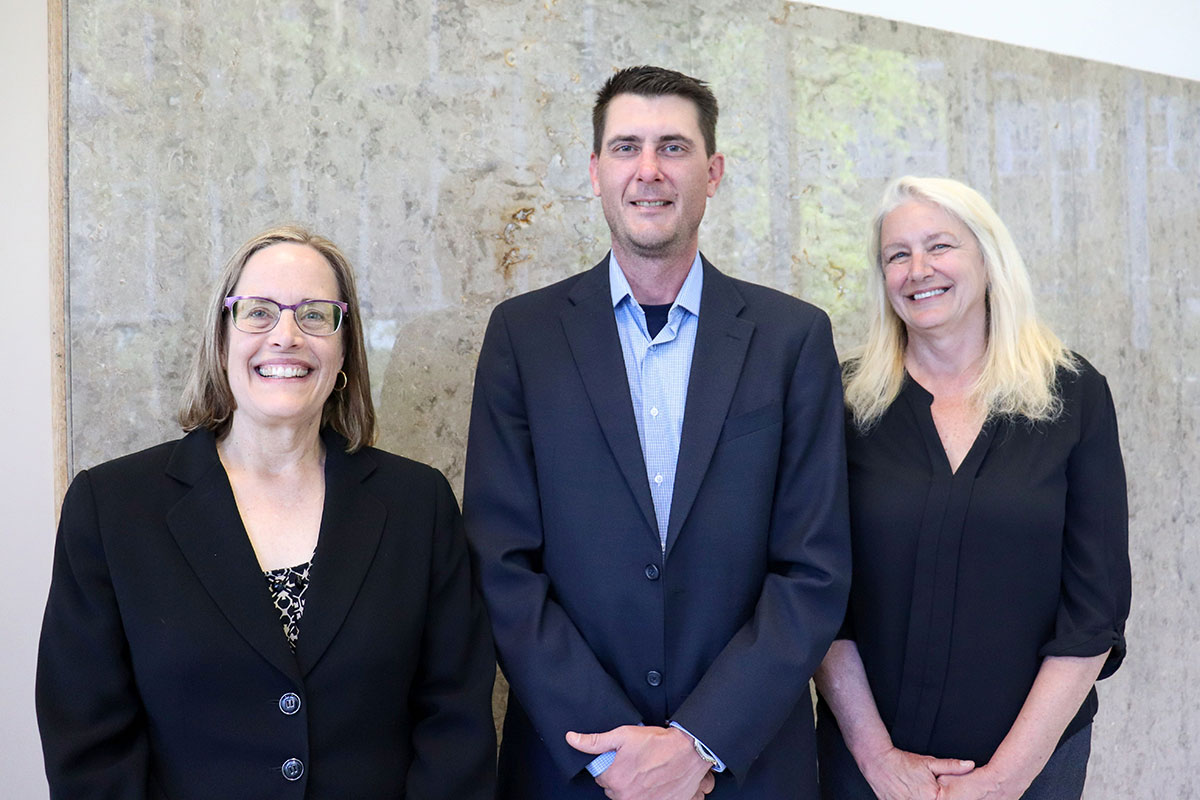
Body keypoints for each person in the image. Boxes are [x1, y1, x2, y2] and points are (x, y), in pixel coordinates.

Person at [463, 65, 851, 800]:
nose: (648, 171)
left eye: (673, 147)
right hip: (574, 767)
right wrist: (615, 753)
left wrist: (701, 744)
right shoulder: (524, 336)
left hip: (747, 767)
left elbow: (814, 569)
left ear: (713, 171)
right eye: (626, 148)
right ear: (595, 171)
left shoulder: (792, 338)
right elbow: (502, 564)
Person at [36, 226, 497, 799]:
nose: (286, 337)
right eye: (258, 312)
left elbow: (455, 724)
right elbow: (88, 746)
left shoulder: (418, 504)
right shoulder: (111, 508)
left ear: (344, 345)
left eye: (315, 314)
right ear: (221, 339)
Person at [814, 177, 1131, 800]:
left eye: (940, 246)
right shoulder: (841, 399)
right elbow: (814, 586)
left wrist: (1005, 780)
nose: (918, 269)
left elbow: (1094, 612)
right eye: (896, 255)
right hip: (867, 769)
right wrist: (877, 758)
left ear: (987, 257)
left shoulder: (1074, 394)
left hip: (1034, 770)